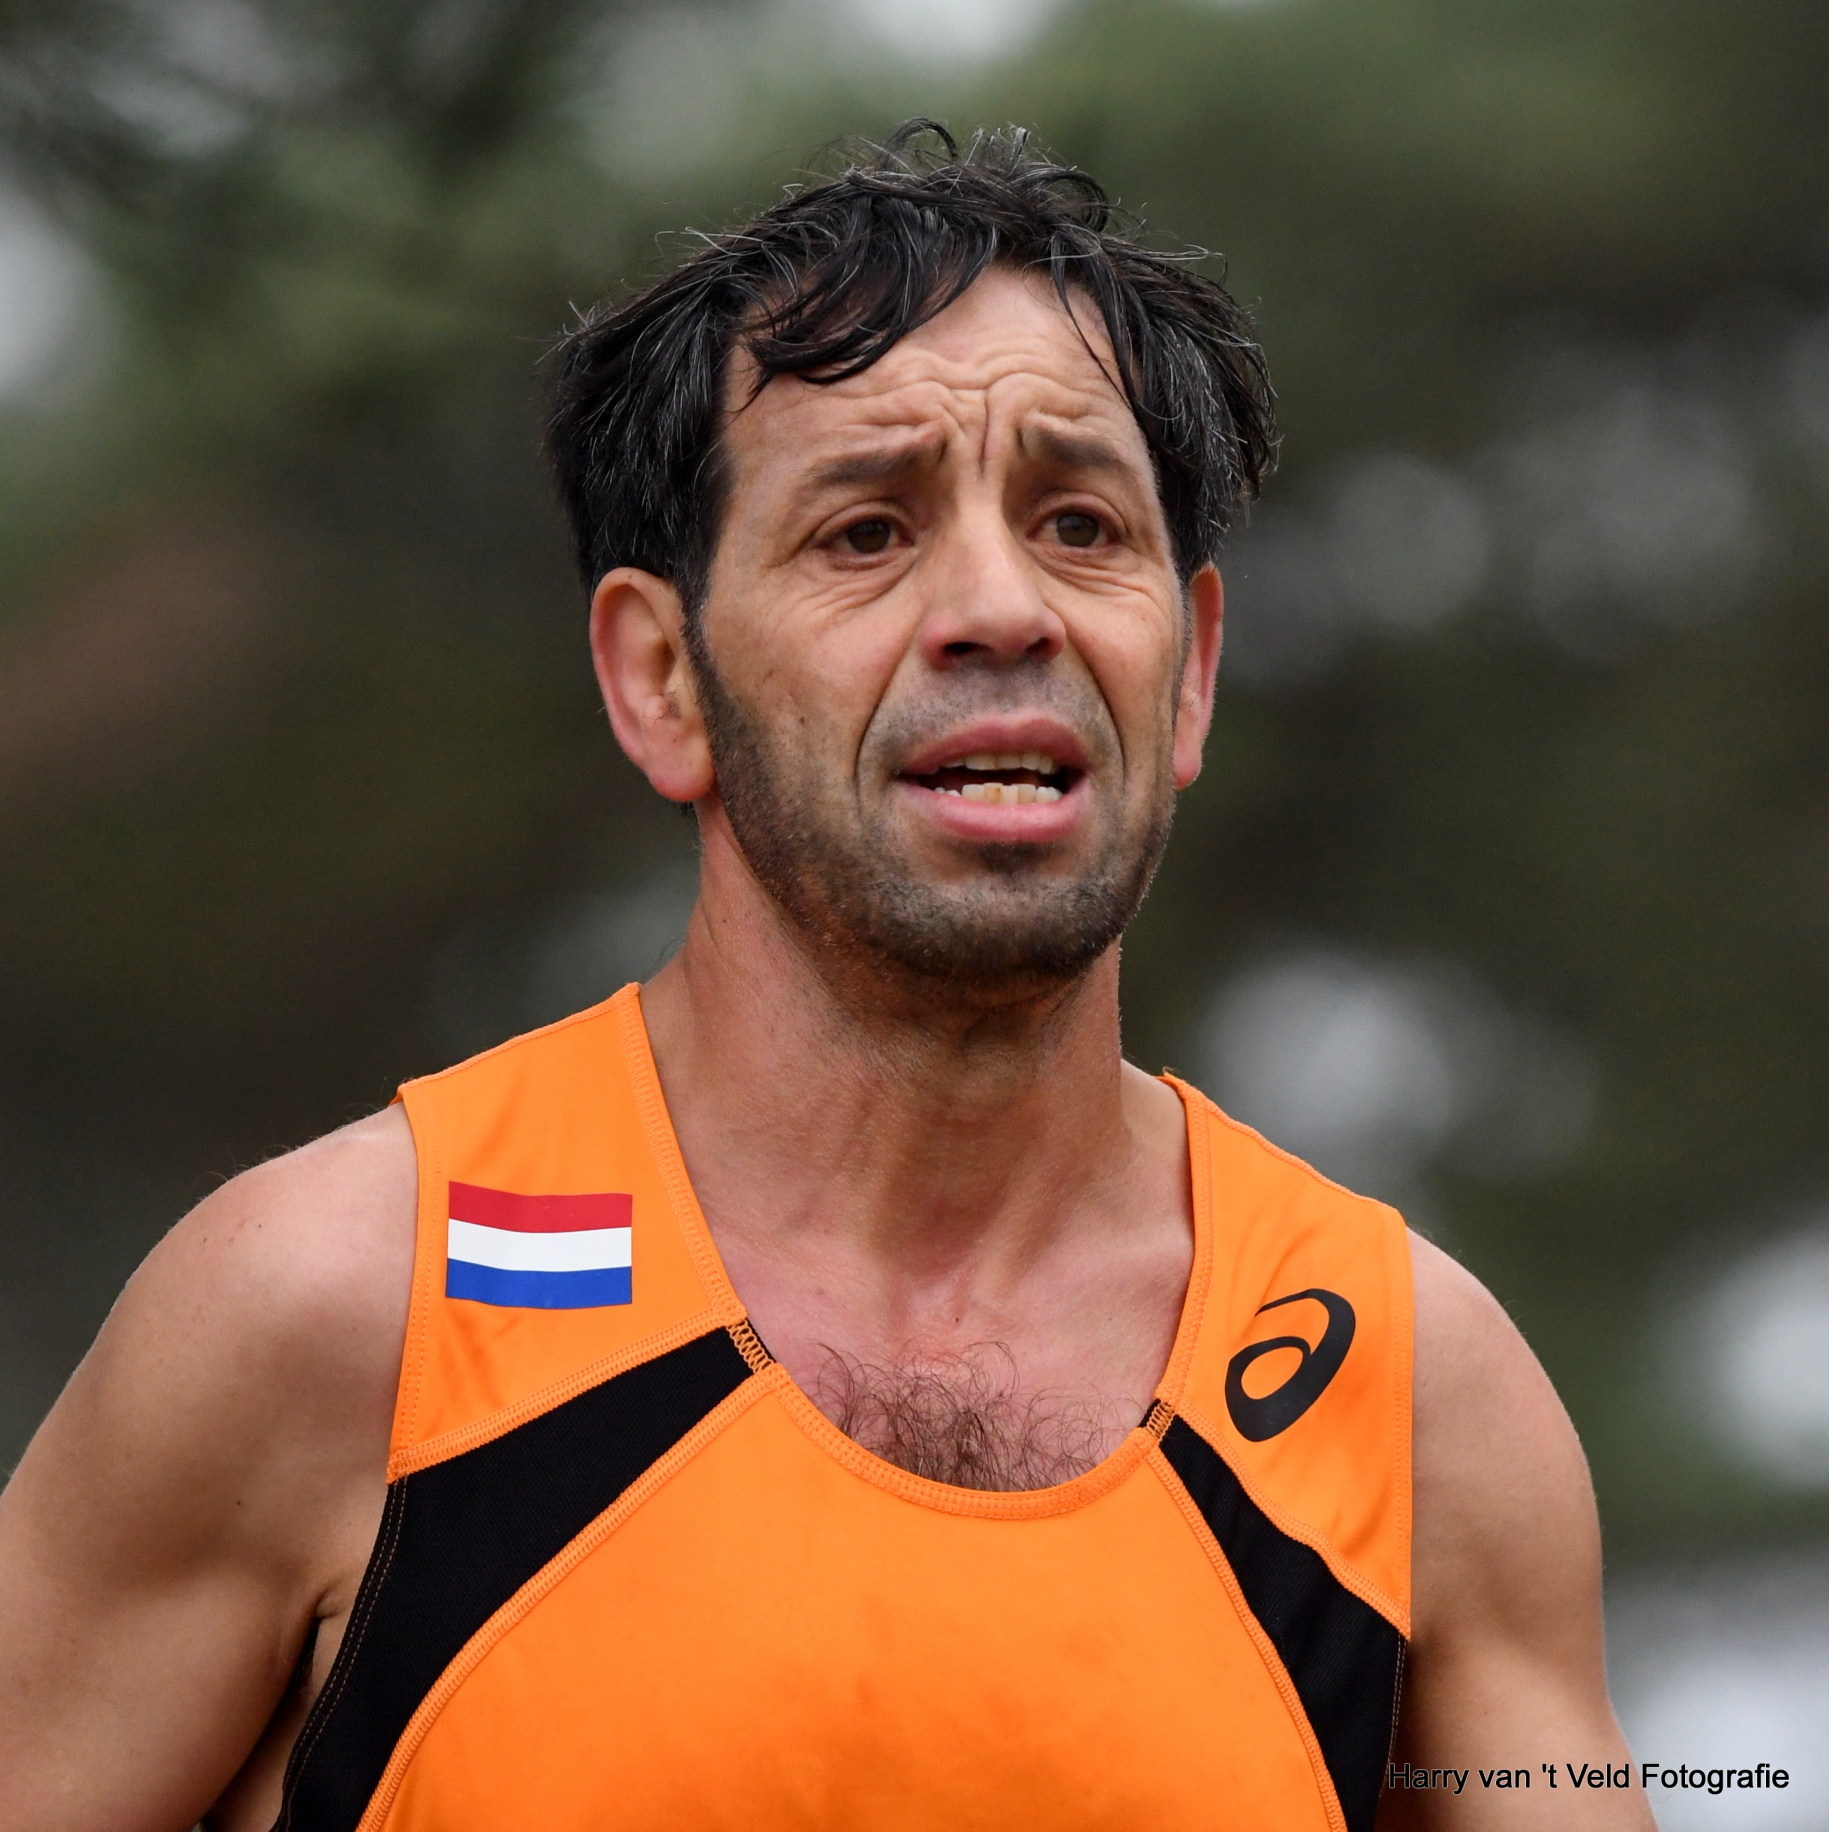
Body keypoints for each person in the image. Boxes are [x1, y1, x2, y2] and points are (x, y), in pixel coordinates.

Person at [0, 124, 1650, 1832]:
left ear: (1190, 676)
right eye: (866, 532)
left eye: (1079, 524)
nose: (1000, 607)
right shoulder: (336, 1313)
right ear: (662, 682)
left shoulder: (1413, 1398)